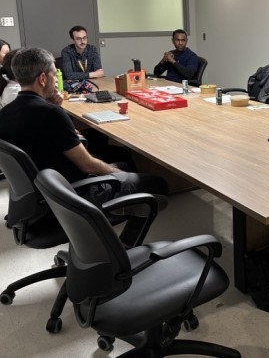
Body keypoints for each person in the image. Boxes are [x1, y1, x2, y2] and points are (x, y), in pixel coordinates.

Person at [0, 47, 169, 246]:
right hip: (72, 196)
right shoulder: (50, 114)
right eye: (55, 74)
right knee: (157, 184)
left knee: (125, 166)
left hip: (43, 198)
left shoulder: (5, 114)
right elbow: (87, 165)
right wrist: (118, 175)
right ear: (43, 79)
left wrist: (53, 106)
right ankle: (125, 246)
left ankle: (121, 209)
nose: (57, 81)